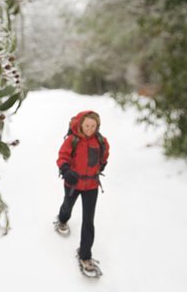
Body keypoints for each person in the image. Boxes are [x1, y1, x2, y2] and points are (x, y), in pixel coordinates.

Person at [54, 110, 109, 273]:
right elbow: (62, 157)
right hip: (73, 182)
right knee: (67, 206)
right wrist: (65, 170)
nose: (90, 129)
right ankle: (62, 219)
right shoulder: (73, 140)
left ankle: (85, 255)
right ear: (80, 124)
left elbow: (104, 156)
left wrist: (102, 164)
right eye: (87, 125)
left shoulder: (100, 141)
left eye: (93, 126)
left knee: (88, 221)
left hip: (91, 185)